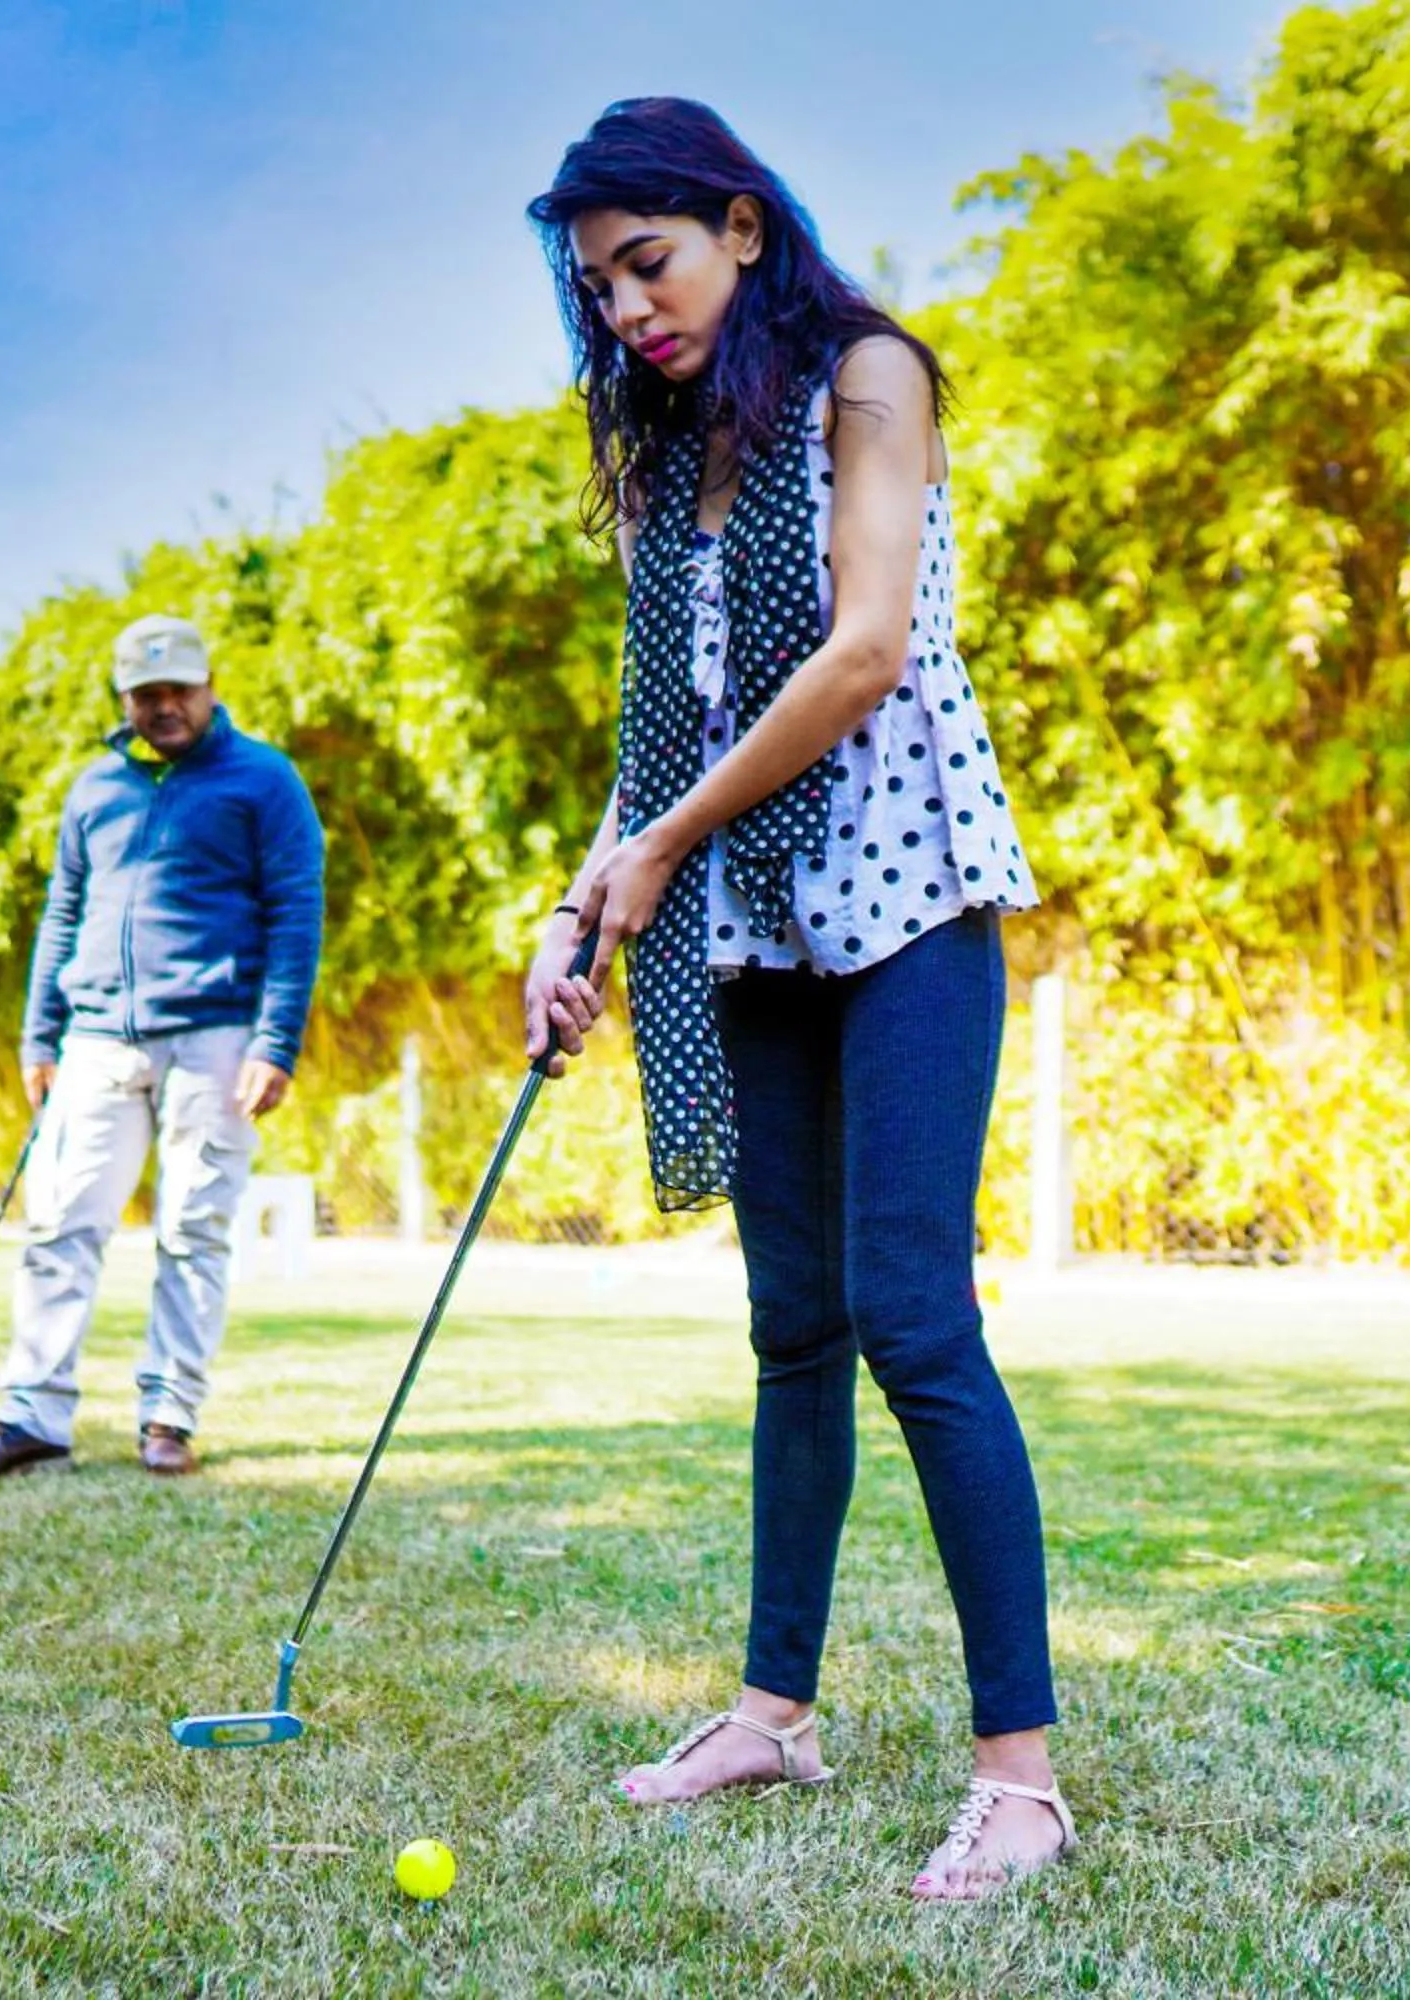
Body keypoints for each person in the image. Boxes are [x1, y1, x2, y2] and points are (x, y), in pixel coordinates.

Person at [519, 99, 1070, 1902]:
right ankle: (775, 1713)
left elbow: (865, 651)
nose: (628, 310)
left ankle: (1020, 1782)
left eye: (650, 264)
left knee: (915, 1320)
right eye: (600, 289)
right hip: (753, 932)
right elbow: (665, 734)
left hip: (908, 903)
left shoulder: (868, 380)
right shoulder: (674, 467)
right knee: (793, 1331)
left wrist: (659, 849)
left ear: (741, 229)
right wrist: (582, 907)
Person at [0, 613, 324, 1482]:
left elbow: (297, 911)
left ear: (210, 687)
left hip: (217, 1039)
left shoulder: (266, 781)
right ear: (124, 700)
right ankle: (32, 1416)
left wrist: (276, 1041)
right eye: (148, 694)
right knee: (59, 1226)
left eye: (180, 689)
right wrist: (39, 1035)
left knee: (193, 1230)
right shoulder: (94, 790)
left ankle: (168, 1417)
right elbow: (63, 913)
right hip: (96, 1040)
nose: (165, 706)